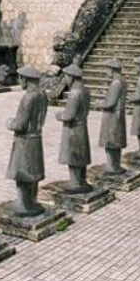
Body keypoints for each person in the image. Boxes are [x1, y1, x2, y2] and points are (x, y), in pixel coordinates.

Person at [5, 66, 47, 216]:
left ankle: (24, 203)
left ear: (25, 79)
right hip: (36, 137)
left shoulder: (29, 97)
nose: (19, 81)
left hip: (25, 140)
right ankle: (31, 201)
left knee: (22, 173)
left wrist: (10, 123)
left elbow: (21, 124)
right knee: (33, 173)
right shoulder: (42, 94)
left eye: (20, 78)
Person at [55, 64, 93, 193]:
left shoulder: (74, 93)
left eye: (65, 76)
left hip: (73, 129)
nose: (64, 79)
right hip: (82, 126)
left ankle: (75, 182)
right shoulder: (85, 90)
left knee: (73, 155)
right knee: (81, 155)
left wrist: (59, 115)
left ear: (71, 77)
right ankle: (82, 180)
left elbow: (68, 115)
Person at [98, 58, 127, 175]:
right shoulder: (122, 81)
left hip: (113, 114)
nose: (106, 72)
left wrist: (100, 104)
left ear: (112, 70)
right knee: (116, 139)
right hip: (118, 113)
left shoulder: (116, 83)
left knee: (110, 140)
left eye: (107, 69)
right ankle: (115, 164)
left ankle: (111, 165)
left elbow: (111, 103)